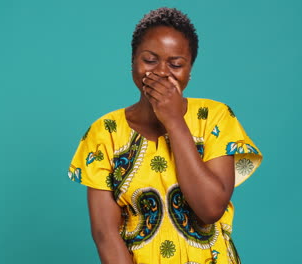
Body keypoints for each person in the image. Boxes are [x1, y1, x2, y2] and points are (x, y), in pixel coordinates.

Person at [68, 7, 262, 264]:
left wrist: (173, 121)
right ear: (132, 62)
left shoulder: (216, 117)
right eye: (149, 60)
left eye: (175, 64)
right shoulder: (104, 133)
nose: (161, 72)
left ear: (189, 70)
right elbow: (105, 234)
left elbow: (210, 209)